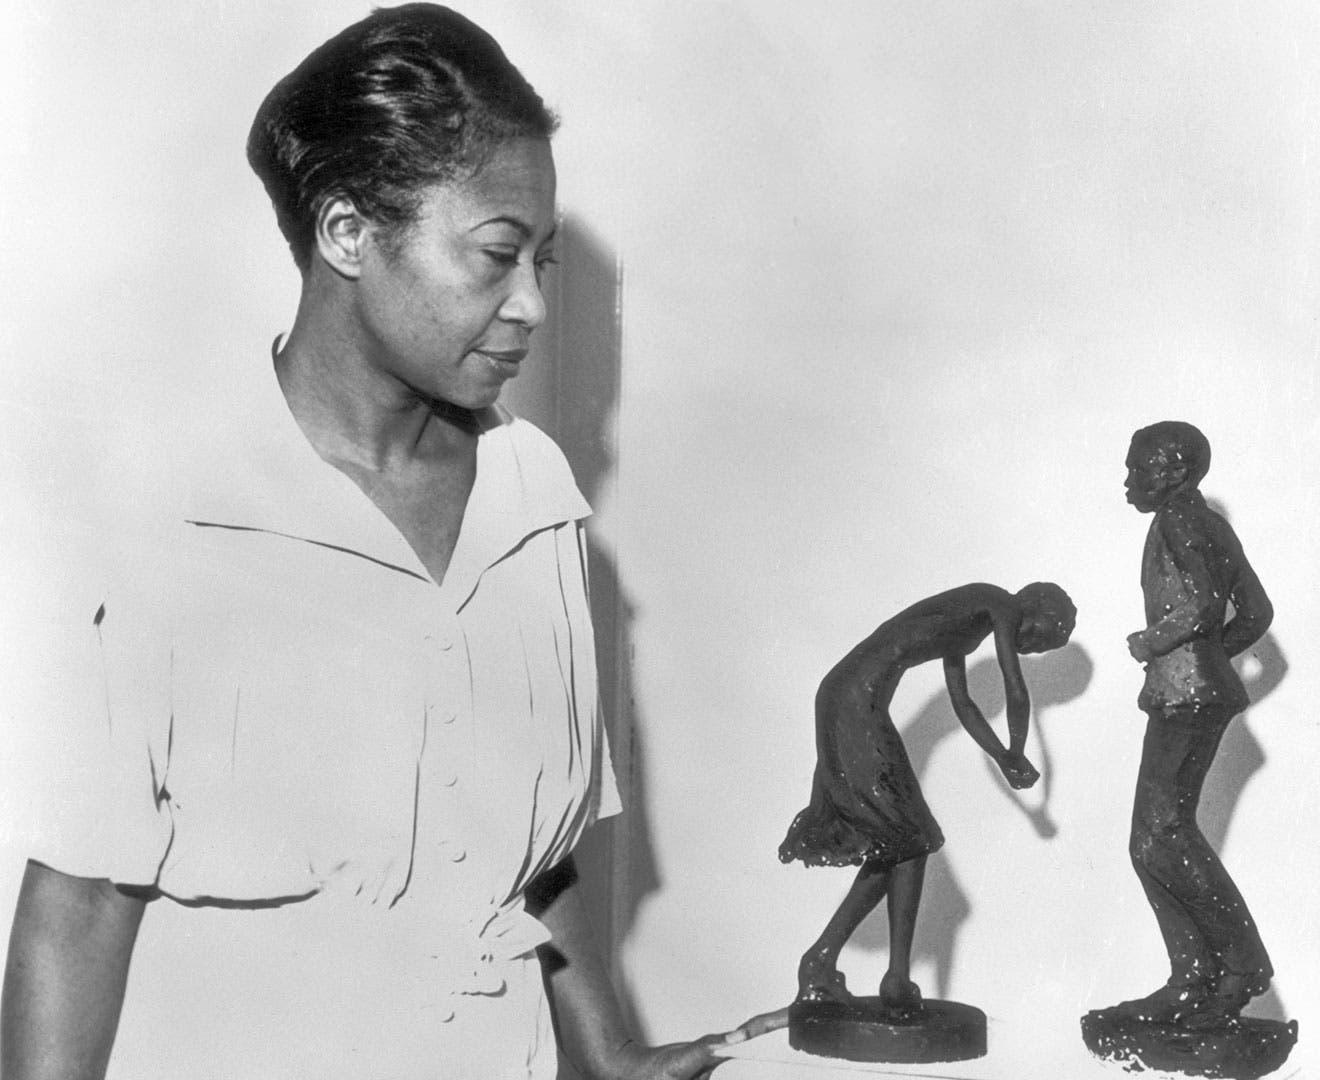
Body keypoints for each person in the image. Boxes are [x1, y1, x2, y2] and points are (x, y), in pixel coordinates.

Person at [0, 7, 781, 1077]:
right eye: (499, 255)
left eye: (544, 262)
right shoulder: (173, 514)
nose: (534, 306)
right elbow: (78, 911)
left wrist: (608, 1058)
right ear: (347, 233)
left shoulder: (533, 498)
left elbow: (530, 862)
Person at [778, 581, 1076, 1011]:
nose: (1027, 647)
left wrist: (1003, 758)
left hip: (847, 696)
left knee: (904, 845)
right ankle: (848, 967)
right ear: (1033, 608)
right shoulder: (998, 602)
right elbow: (1016, 689)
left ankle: (869, 972)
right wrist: (1016, 750)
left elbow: (964, 704)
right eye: (1036, 638)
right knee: (911, 841)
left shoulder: (967, 621)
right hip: (854, 702)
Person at [1115, 420, 1274, 1026]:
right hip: (1194, 692)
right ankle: (1190, 978)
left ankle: (1240, 968)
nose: (1128, 481)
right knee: (1152, 841)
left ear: (1174, 471)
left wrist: (1153, 643)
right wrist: (1212, 664)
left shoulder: (1178, 520)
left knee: (1162, 837)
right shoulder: (1212, 524)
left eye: (1138, 468)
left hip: (1187, 698)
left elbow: (1206, 605)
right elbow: (1256, 613)